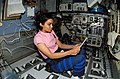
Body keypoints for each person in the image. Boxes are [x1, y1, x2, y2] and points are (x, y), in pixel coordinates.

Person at [34, 12, 86, 79]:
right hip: (53, 61)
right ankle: (76, 75)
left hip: (60, 53)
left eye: (52, 24)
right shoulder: (38, 38)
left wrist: (74, 46)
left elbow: (61, 45)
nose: (52, 26)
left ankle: (71, 65)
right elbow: (51, 55)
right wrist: (70, 52)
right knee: (81, 58)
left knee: (81, 50)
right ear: (41, 24)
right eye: (49, 24)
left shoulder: (51, 32)